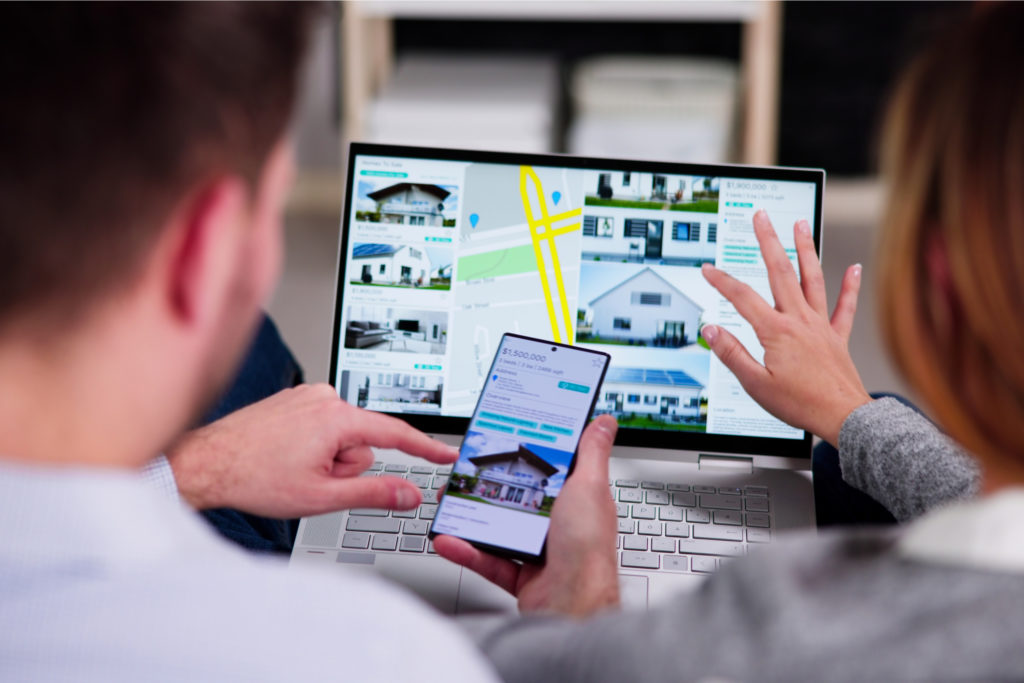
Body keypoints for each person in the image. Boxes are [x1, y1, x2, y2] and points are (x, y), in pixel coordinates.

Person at [433, 4, 1024, 679]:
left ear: (936, 284)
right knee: (845, 447)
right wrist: (852, 413)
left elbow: (465, 666)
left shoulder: (774, 625)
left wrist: (580, 602)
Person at [0, 5, 498, 680]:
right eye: (271, 203)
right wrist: (583, 612)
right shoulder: (380, 656)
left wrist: (197, 468)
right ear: (203, 254)